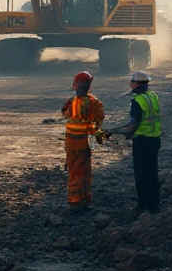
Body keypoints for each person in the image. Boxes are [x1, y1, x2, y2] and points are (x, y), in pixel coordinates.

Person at [112, 70, 162, 214]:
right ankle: (154, 204)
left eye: (132, 82)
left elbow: (132, 126)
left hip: (142, 142)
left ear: (136, 85)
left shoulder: (138, 102)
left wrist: (114, 131)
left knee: (141, 174)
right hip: (155, 139)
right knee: (152, 173)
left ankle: (143, 205)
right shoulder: (153, 97)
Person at [62, 71, 105, 212]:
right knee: (82, 172)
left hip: (71, 144)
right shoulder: (94, 103)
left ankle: (77, 200)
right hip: (84, 144)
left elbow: (65, 113)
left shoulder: (70, 103)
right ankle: (80, 201)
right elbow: (99, 120)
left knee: (74, 171)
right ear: (89, 86)